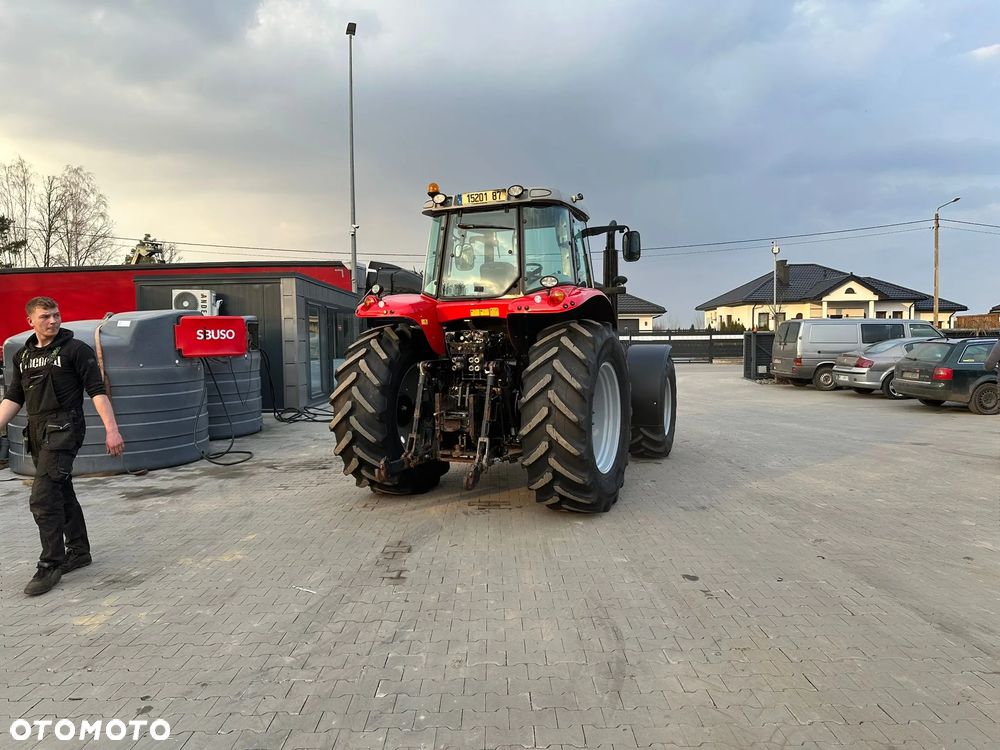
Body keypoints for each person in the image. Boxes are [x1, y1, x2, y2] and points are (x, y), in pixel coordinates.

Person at [0, 297, 124, 596]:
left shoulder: (76, 350)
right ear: (30, 320)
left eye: (56, 315)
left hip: (65, 429)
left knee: (43, 498)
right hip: (37, 431)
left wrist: (112, 430)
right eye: (45, 316)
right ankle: (79, 551)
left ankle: (50, 564)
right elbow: (14, 397)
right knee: (61, 489)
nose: (53, 321)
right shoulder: (24, 356)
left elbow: (97, 391)